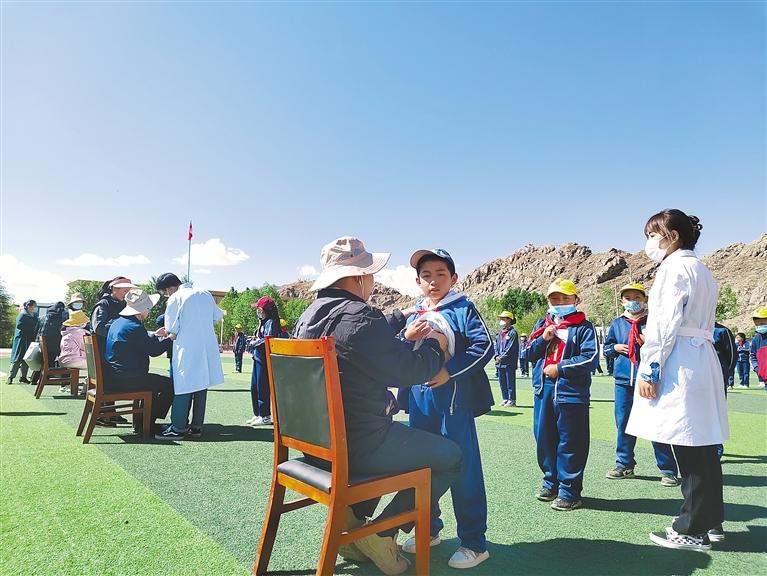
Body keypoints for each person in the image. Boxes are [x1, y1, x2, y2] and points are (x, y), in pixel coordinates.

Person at [294, 236, 462, 576]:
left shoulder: (308, 316)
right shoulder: (360, 316)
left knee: (397, 441)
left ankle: (353, 523)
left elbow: (354, 337)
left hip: (315, 448)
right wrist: (435, 344)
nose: (373, 280)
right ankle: (382, 534)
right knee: (451, 457)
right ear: (359, 277)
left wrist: (399, 319)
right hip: (358, 446)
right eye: (370, 273)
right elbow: (408, 370)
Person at [626, 209, 728, 550]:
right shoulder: (701, 269)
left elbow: (663, 325)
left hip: (680, 359)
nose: (649, 242)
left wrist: (650, 368)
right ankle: (711, 520)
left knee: (688, 445)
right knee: (702, 445)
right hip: (699, 357)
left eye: (653, 234)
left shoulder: (673, 269)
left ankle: (692, 528)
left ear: (672, 236)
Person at [398, 248, 494, 569]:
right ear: (417, 281)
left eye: (441, 274)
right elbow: (399, 353)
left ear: (453, 279)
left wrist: (449, 371)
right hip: (419, 399)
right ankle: (428, 529)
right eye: (426, 275)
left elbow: (484, 346)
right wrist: (405, 337)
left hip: (454, 400)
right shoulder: (413, 313)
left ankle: (474, 542)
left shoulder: (463, 308)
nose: (433, 281)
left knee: (463, 466)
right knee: (421, 466)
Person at [527, 278, 597, 512]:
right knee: (544, 439)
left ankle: (570, 491)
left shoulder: (584, 327)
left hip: (571, 393)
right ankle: (551, 482)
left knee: (571, 442)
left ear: (576, 299)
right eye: (555, 298)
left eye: (565, 298)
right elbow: (527, 354)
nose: (560, 302)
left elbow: (590, 358)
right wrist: (543, 339)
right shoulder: (542, 324)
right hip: (543, 390)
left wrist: (561, 368)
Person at [603, 283, 678, 486]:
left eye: (637, 297)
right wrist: (615, 348)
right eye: (628, 298)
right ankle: (624, 464)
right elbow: (606, 349)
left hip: (649, 381)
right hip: (623, 382)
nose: (633, 301)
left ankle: (668, 469)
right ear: (622, 301)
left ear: (645, 300)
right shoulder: (617, 323)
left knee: (656, 423)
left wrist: (649, 343)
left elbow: (666, 346)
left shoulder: (655, 321)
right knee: (623, 424)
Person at [153, 273, 225, 441]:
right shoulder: (205, 293)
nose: (166, 295)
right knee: (201, 385)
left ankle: (178, 428)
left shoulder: (175, 298)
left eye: (165, 293)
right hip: (206, 347)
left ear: (169, 289)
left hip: (186, 348)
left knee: (183, 386)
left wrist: (167, 332)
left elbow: (171, 328)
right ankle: (197, 426)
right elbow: (217, 316)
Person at [103, 289, 174, 434]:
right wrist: (170, 339)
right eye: (148, 308)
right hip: (127, 379)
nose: (149, 311)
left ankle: (143, 423)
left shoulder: (118, 323)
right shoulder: (135, 327)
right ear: (142, 310)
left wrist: (155, 335)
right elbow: (154, 351)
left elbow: (139, 343)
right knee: (169, 385)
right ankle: (147, 424)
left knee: (153, 384)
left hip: (114, 377)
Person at [91, 277, 138, 426]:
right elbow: (98, 327)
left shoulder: (123, 304)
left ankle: (110, 412)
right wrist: (118, 331)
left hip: (113, 352)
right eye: (124, 290)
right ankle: (102, 414)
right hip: (103, 353)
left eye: (128, 290)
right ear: (114, 289)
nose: (127, 293)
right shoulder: (103, 304)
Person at [246, 296, 282, 427]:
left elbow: (268, 339)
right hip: (258, 358)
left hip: (264, 359)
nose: (258, 312)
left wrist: (255, 343)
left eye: (260, 309)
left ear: (267, 310)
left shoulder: (271, 322)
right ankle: (258, 414)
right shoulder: (264, 322)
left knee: (263, 387)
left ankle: (265, 415)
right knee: (254, 387)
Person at [8, 300, 39, 384]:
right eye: (33, 306)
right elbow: (19, 325)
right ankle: (10, 377)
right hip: (21, 340)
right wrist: (31, 328)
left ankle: (23, 377)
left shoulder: (34, 316)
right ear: (29, 306)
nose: (34, 308)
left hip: (29, 339)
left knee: (26, 358)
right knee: (17, 358)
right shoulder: (22, 315)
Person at [494, 310, 519, 407]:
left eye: (503, 318)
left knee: (510, 382)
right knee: (502, 382)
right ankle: (505, 398)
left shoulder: (513, 333)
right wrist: (496, 356)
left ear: (509, 320)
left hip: (509, 362)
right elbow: (496, 346)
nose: (501, 320)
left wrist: (501, 357)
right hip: (499, 362)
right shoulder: (500, 333)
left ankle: (512, 400)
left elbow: (510, 347)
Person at [750, 308, 767, 388]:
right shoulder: (756, 339)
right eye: (757, 325)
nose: (759, 326)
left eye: (762, 323)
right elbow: (753, 356)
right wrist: (757, 369)